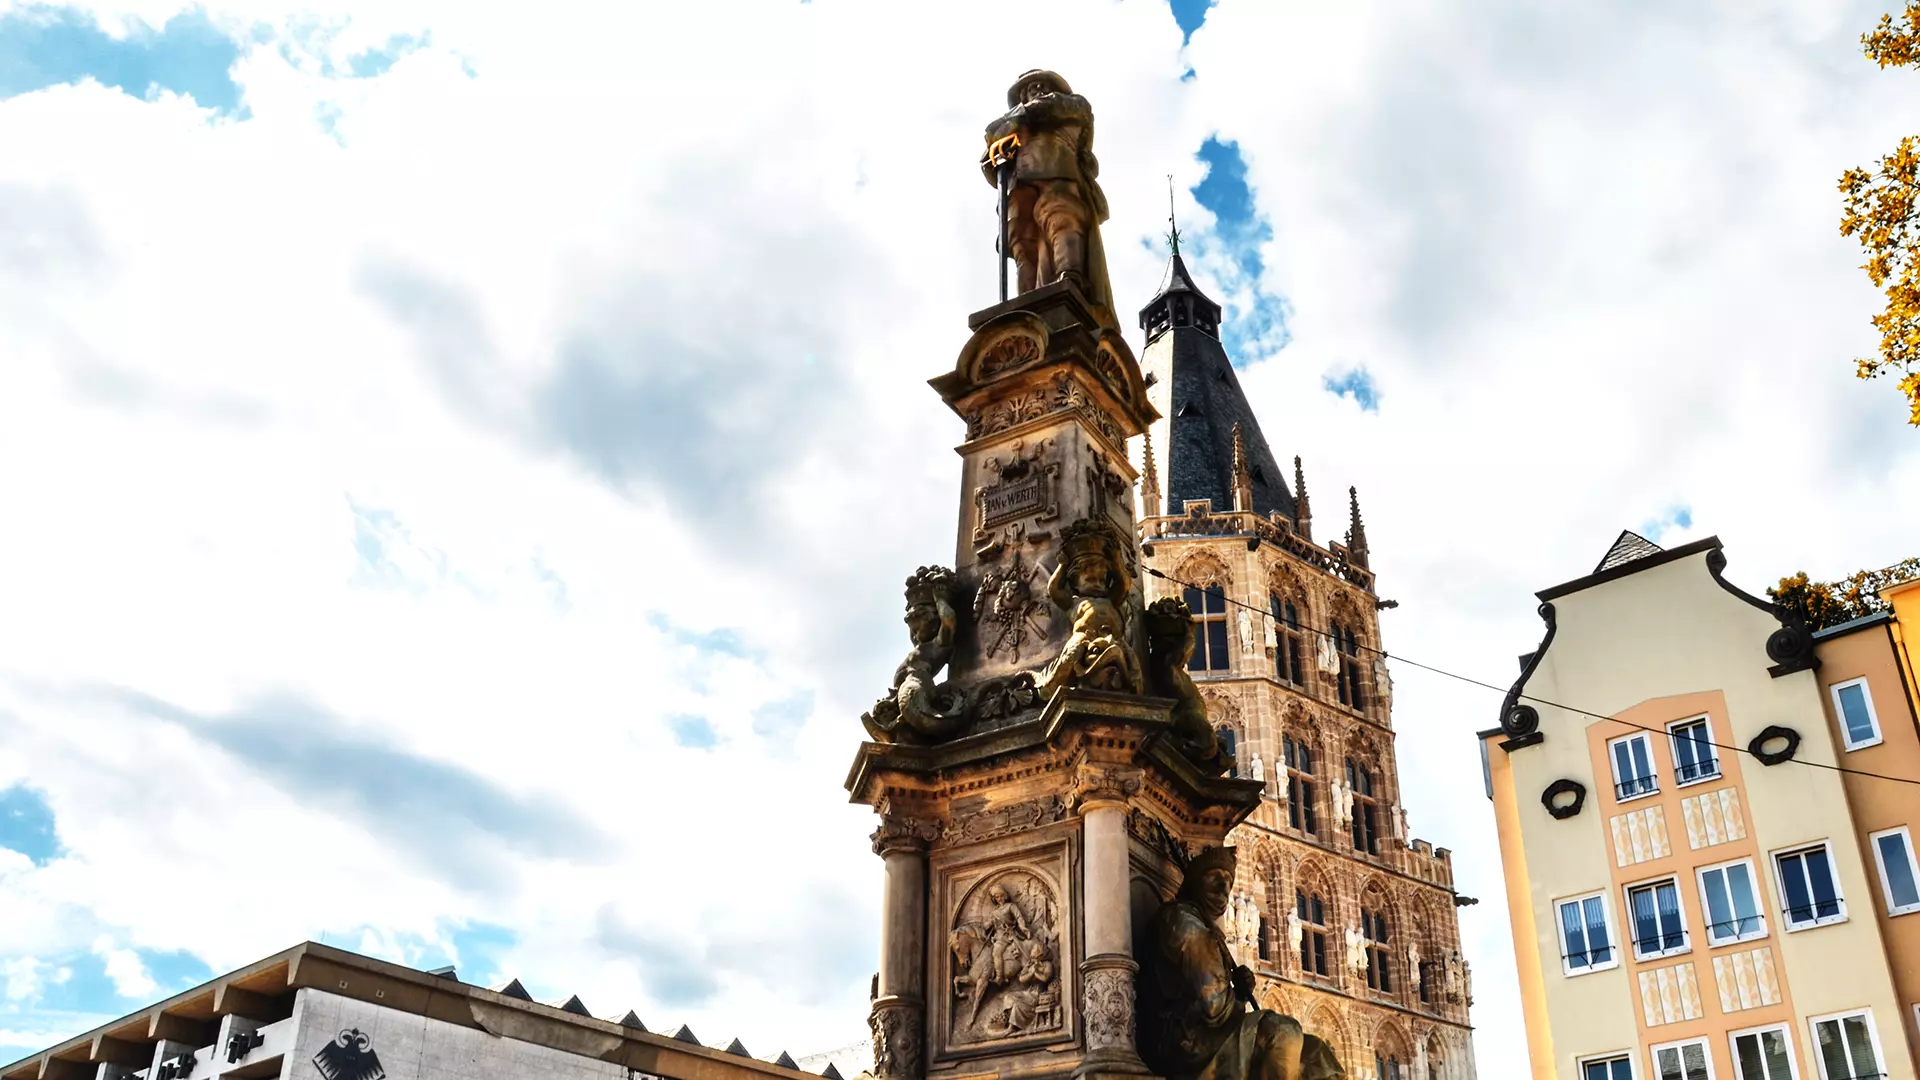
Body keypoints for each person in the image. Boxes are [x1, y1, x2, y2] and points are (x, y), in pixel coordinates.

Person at [1144, 848, 1345, 1080]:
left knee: (1316, 1054)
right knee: (1283, 1033)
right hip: (1188, 1041)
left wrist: (1237, 992)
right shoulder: (1184, 922)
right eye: (1215, 876)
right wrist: (1237, 995)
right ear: (1195, 882)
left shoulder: (1202, 924)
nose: (1224, 887)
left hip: (1208, 1032)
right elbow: (1214, 1007)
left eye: (1228, 880)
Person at [981, 70, 1116, 324]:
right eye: (1032, 88)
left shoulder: (1072, 106)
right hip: (1017, 185)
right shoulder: (1016, 122)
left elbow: (1051, 109)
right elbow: (988, 158)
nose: (1039, 90)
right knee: (1021, 240)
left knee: (1061, 218)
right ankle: (1026, 298)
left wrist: (1012, 121)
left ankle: (1070, 275)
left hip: (1058, 172)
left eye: (1043, 85)